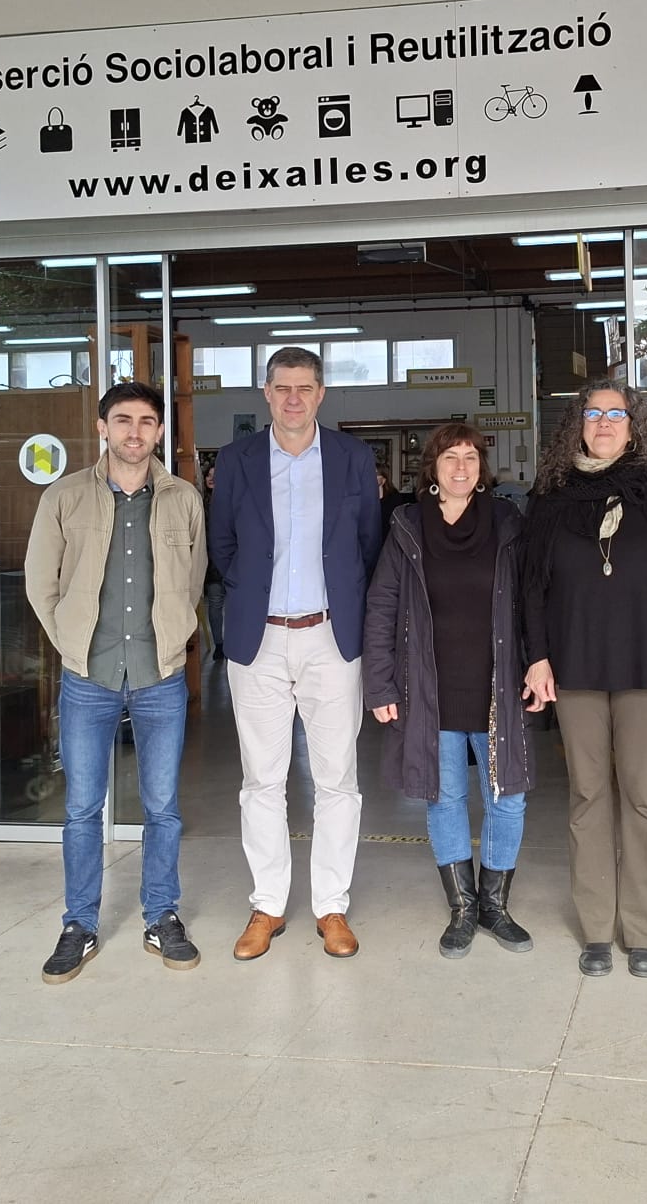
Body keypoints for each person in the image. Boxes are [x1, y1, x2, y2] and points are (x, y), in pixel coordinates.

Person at [24, 380, 207, 985]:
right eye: (123, 420)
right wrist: (70, 643)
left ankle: (163, 915)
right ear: (102, 427)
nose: (135, 431)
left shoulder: (183, 498)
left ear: (159, 431)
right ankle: (79, 922)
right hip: (88, 676)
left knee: (163, 807)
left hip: (159, 676)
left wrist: (178, 635)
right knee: (81, 808)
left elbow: (195, 576)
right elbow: (39, 582)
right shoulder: (65, 496)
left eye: (146, 421)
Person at [209, 346, 384, 960]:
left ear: (321, 394)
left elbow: (368, 547)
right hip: (259, 638)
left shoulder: (352, 458)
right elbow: (222, 546)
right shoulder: (236, 461)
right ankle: (268, 905)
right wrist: (255, 600)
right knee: (262, 779)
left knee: (337, 778)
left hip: (331, 637)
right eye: (282, 387)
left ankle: (331, 907)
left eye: (304, 387)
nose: (292, 398)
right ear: (265, 392)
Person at [521, 379, 647, 978]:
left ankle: (644, 931)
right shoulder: (553, 492)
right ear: (579, 425)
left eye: (616, 413)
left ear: (634, 423)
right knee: (588, 794)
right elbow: (531, 583)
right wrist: (537, 656)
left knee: (643, 795)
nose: (605, 422)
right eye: (593, 413)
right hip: (575, 665)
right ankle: (596, 929)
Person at [364, 422, 540, 957]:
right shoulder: (407, 526)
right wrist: (379, 683)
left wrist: (540, 664)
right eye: (449, 458)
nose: (461, 467)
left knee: (506, 798)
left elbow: (533, 597)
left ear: (481, 468)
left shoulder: (508, 522)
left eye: (470, 457)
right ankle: (463, 907)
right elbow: (382, 608)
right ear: (432, 470)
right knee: (444, 798)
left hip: (498, 684)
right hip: (429, 688)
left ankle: (495, 905)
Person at [201, 464, 226, 660]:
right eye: (208, 475)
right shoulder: (200, 502)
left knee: (235, 605)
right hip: (211, 563)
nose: (211, 478)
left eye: (215, 475)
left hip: (232, 562)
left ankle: (233, 640)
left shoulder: (231, 500)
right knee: (215, 603)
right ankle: (219, 644)